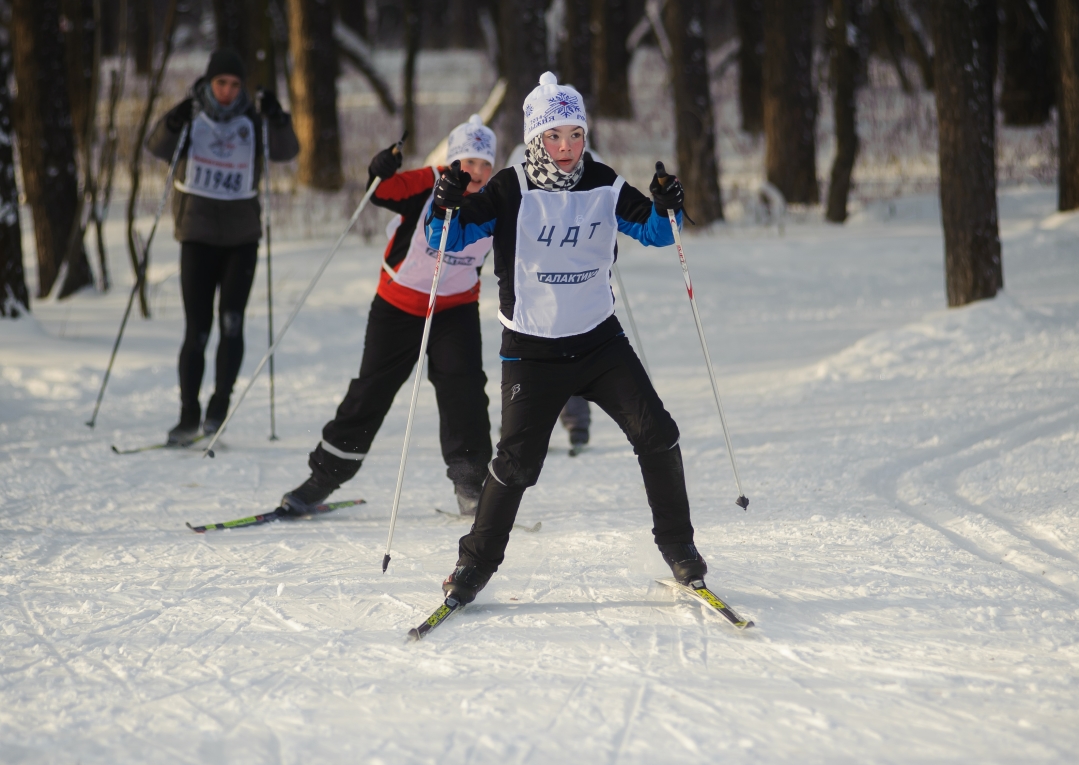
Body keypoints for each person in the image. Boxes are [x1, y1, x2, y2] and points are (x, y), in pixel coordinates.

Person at [425, 72, 706, 606]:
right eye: (554, 136)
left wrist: (668, 203)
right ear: (535, 139)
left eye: (575, 134)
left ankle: (679, 548)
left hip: (600, 342)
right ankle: (472, 567)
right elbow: (446, 239)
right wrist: (447, 204)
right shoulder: (509, 188)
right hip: (532, 350)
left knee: (658, 433)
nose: (566, 148)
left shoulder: (603, 180)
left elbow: (657, 230)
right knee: (517, 465)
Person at [278, 115, 497, 516]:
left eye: (485, 163)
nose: (478, 172)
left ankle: (471, 486)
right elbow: (383, 192)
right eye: (469, 161)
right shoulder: (428, 182)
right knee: (370, 392)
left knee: (464, 392)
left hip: (455, 309)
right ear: (453, 162)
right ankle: (322, 479)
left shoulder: (496, 196)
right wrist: (380, 170)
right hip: (398, 307)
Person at [146, 49, 299, 445]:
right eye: (221, 83)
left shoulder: (254, 118)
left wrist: (278, 118)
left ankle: (218, 408)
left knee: (231, 324)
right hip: (196, 236)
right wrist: (172, 120)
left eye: (235, 84)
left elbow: (286, 151)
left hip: (241, 238)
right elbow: (157, 146)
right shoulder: (192, 114)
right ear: (210, 83)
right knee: (197, 329)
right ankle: (187, 415)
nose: (229, 91)